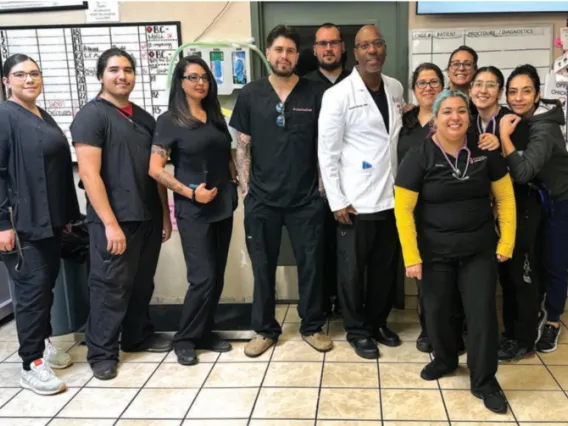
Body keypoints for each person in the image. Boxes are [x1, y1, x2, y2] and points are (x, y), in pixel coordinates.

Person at [394, 89, 516, 414]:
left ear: (469, 115)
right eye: (447, 111)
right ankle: (446, 360)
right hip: (434, 252)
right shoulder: (419, 155)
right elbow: (403, 209)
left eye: (461, 111)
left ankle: (485, 381)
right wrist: (411, 256)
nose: (455, 117)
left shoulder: (485, 150)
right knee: (436, 312)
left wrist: (506, 243)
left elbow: (504, 198)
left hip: (479, 250)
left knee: (481, 315)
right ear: (435, 117)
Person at [230, 25, 332, 358]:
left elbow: (324, 147)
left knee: (312, 265)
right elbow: (242, 147)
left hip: (306, 200)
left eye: (290, 50)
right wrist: (247, 191)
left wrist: (320, 191)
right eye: (278, 49)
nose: (284, 56)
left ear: (298, 55)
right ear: (268, 53)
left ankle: (312, 326)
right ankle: (264, 329)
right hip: (262, 200)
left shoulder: (315, 94)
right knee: (263, 266)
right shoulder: (251, 94)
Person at [71, 48, 172, 381]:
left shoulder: (144, 118)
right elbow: (90, 175)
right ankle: (101, 352)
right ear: (101, 75)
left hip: (147, 216)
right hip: (114, 221)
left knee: (142, 283)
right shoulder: (91, 116)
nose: (122, 76)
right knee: (110, 286)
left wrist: (165, 214)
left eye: (128, 70)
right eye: (114, 70)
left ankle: (137, 335)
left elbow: (155, 171)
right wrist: (110, 224)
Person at [318, 24, 404, 360]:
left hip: (390, 197)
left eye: (378, 44)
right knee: (351, 271)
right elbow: (327, 152)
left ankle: (378, 322)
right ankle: (356, 330)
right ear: (354, 53)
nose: (372, 51)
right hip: (354, 201)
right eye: (365, 45)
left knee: (384, 268)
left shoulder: (395, 88)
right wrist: (337, 199)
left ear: (384, 49)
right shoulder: (337, 95)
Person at [149, 56, 238, 366]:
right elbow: (155, 169)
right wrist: (190, 193)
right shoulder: (169, 120)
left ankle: (205, 332)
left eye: (204, 77)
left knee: (217, 276)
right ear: (181, 82)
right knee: (202, 277)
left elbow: (226, 152)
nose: (200, 82)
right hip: (193, 209)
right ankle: (185, 339)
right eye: (192, 77)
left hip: (223, 206)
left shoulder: (214, 116)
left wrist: (235, 177)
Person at [0, 54, 80, 395]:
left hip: (48, 222)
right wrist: (3, 223)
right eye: (20, 75)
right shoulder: (4, 116)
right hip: (21, 225)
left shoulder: (40, 114)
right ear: (6, 81)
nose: (29, 79)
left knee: (43, 288)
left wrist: (66, 217)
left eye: (34, 73)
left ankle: (44, 346)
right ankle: (30, 364)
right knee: (32, 293)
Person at [469, 66, 541, 361]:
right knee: (500, 273)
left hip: (520, 208)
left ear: (499, 92)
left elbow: (523, 171)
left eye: (491, 85)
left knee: (519, 275)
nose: (483, 90)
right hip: (487, 214)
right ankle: (507, 334)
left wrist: (501, 146)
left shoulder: (514, 123)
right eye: (478, 84)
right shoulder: (470, 123)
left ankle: (523, 339)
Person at [500, 64, 568, 354]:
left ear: (538, 95)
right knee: (535, 263)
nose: (518, 97)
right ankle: (536, 314)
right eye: (513, 91)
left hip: (559, 203)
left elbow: (525, 171)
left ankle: (552, 322)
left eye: (526, 91)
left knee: (555, 265)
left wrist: (503, 139)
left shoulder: (545, 127)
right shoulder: (520, 120)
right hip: (535, 205)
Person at [304, 22, 351, 317]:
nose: (329, 48)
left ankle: (348, 306)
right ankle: (320, 308)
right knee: (317, 249)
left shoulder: (356, 81)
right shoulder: (304, 86)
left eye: (334, 43)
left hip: (353, 185)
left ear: (343, 47)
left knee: (348, 252)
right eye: (323, 44)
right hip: (312, 188)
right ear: (315, 50)